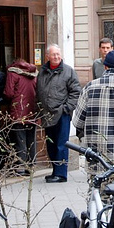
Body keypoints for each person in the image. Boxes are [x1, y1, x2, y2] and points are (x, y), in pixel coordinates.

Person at [36, 44, 81, 183]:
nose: (56, 57)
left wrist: (67, 108)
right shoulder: (42, 72)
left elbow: (76, 91)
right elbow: (38, 91)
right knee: (51, 144)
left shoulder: (68, 71)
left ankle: (61, 174)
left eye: (58, 54)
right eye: (53, 55)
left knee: (61, 144)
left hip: (62, 114)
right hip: (47, 114)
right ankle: (55, 171)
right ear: (47, 56)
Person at [3, 58, 38, 176]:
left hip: (18, 111)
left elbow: (9, 93)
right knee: (31, 140)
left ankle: (20, 167)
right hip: (32, 111)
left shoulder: (12, 73)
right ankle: (31, 165)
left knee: (19, 140)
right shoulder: (33, 73)